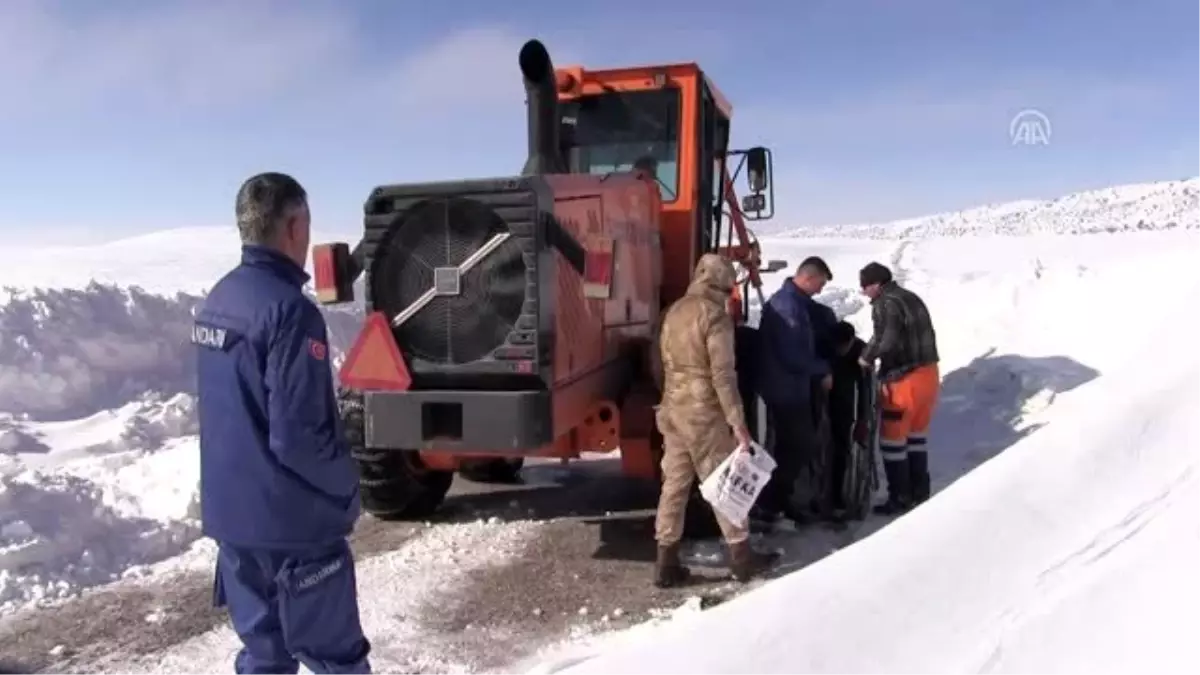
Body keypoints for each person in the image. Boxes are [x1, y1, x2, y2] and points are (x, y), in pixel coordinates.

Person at [195, 172, 371, 674]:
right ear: (294, 226)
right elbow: (299, 437)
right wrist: (347, 485)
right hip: (294, 530)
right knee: (339, 658)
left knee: (264, 656)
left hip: (235, 524)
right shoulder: (292, 313)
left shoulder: (219, 299)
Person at [653, 253, 777, 588]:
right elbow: (722, 375)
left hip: (672, 410)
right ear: (723, 283)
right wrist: (738, 422)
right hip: (703, 414)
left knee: (674, 485)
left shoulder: (674, 311)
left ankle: (666, 563)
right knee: (724, 486)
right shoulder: (714, 317)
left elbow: (660, 363)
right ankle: (742, 559)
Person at [753, 259, 833, 527]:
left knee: (790, 446)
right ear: (809, 278)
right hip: (785, 389)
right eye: (820, 284)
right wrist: (822, 369)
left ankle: (777, 500)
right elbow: (792, 355)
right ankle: (771, 501)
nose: (820, 290)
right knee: (800, 444)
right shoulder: (788, 306)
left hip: (790, 386)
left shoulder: (795, 303)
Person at [858, 261, 941, 515]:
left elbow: (887, 339)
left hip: (903, 381)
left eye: (865, 288)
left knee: (893, 441)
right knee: (916, 436)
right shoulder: (910, 297)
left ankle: (900, 498)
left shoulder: (886, 303)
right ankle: (920, 491)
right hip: (928, 375)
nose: (864, 293)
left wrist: (866, 358)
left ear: (875, 284)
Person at [826, 321, 872, 516]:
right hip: (825, 398)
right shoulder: (826, 348)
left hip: (847, 402)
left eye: (843, 347)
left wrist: (863, 419)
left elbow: (866, 389)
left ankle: (839, 496)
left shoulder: (862, 352)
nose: (840, 351)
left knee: (841, 449)